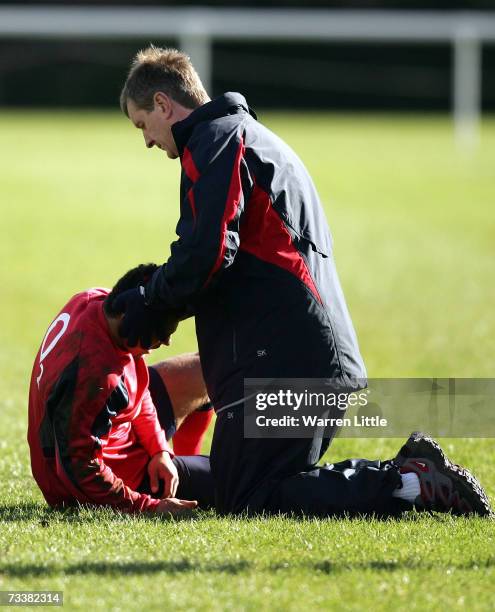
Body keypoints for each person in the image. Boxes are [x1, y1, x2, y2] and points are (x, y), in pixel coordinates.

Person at [115, 46, 492, 518]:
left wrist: (148, 304)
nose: (147, 141)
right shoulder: (248, 135)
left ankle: (410, 482)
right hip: (305, 359)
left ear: (164, 105)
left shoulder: (215, 139)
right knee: (243, 487)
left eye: (141, 124)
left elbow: (206, 254)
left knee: (250, 498)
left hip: (287, 366)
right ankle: (413, 473)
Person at [28, 263, 214, 515]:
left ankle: (178, 470)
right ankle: (178, 481)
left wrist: (159, 449)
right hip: (114, 475)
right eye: (160, 331)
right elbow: (79, 467)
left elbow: (138, 385)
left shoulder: (96, 301)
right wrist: (150, 506)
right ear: (131, 315)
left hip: (116, 430)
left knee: (207, 369)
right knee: (244, 479)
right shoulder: (96, 376)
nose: (167, 340)